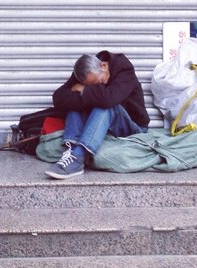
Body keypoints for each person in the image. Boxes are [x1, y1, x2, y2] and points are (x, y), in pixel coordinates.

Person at [45, 50, 150, 179]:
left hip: (133, 127)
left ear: (103, 66)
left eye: (98, 83)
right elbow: (59, 98)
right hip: (105, 126)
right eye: (90, 86)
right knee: (74, 105)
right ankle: (71, 150)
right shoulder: (86, 71)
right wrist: (87, 97)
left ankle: (78, 156)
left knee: (106, 106)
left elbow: (109, 100)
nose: (96, 87)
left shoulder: (125, 70)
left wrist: (85, 90)